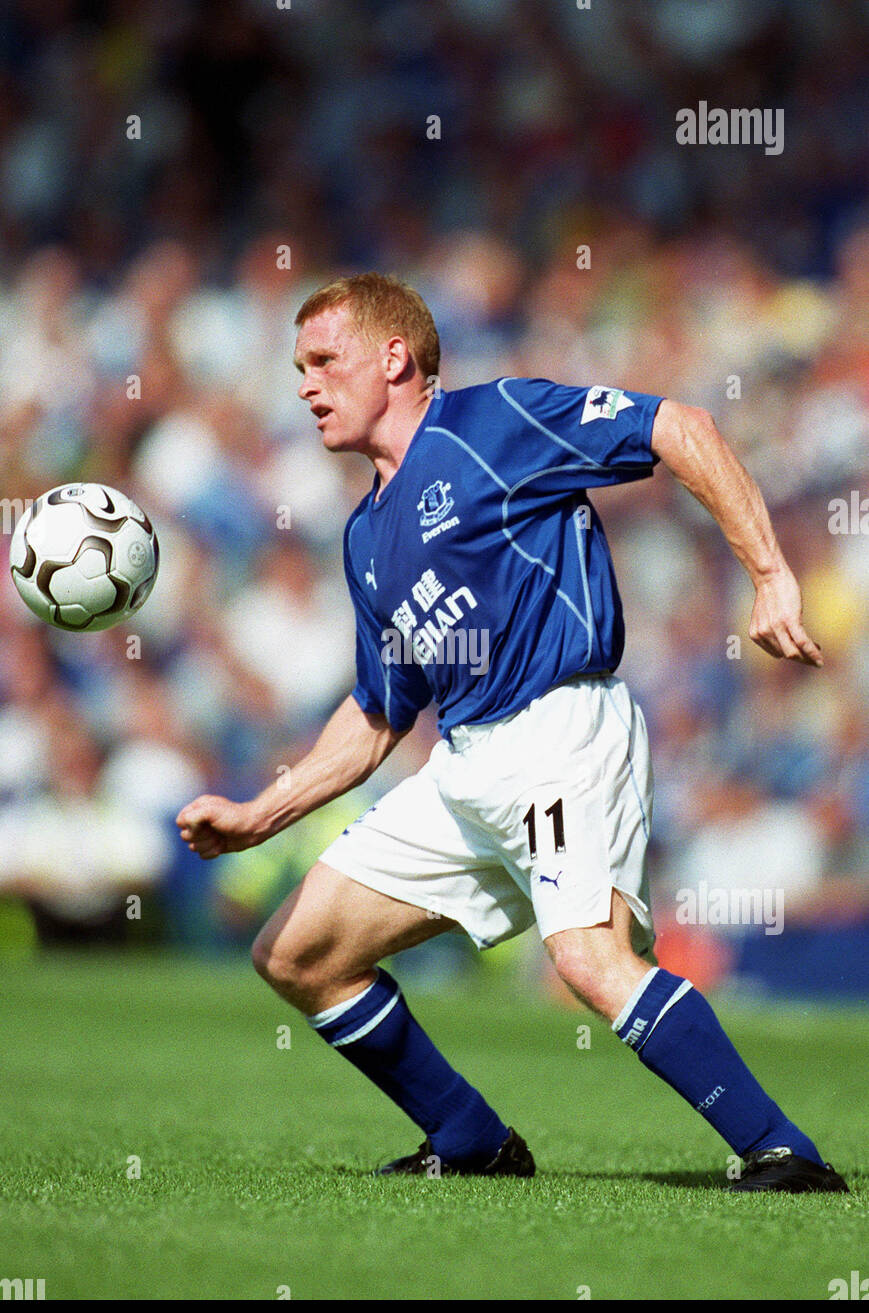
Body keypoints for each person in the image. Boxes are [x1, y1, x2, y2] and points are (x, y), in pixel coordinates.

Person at [177, 273, 847, 1193]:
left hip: (559, 728)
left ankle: (782, 1152)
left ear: (394, 357)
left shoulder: (491, 425)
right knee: (296, 953)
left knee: (588, 959)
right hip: (464, 763)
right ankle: (470, 1140)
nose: (306, 385)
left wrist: (767, 574)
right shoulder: (365, 535)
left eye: (324, 360)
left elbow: (681, 426)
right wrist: (264, 812)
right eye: (299, 368)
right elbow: (380, 710)